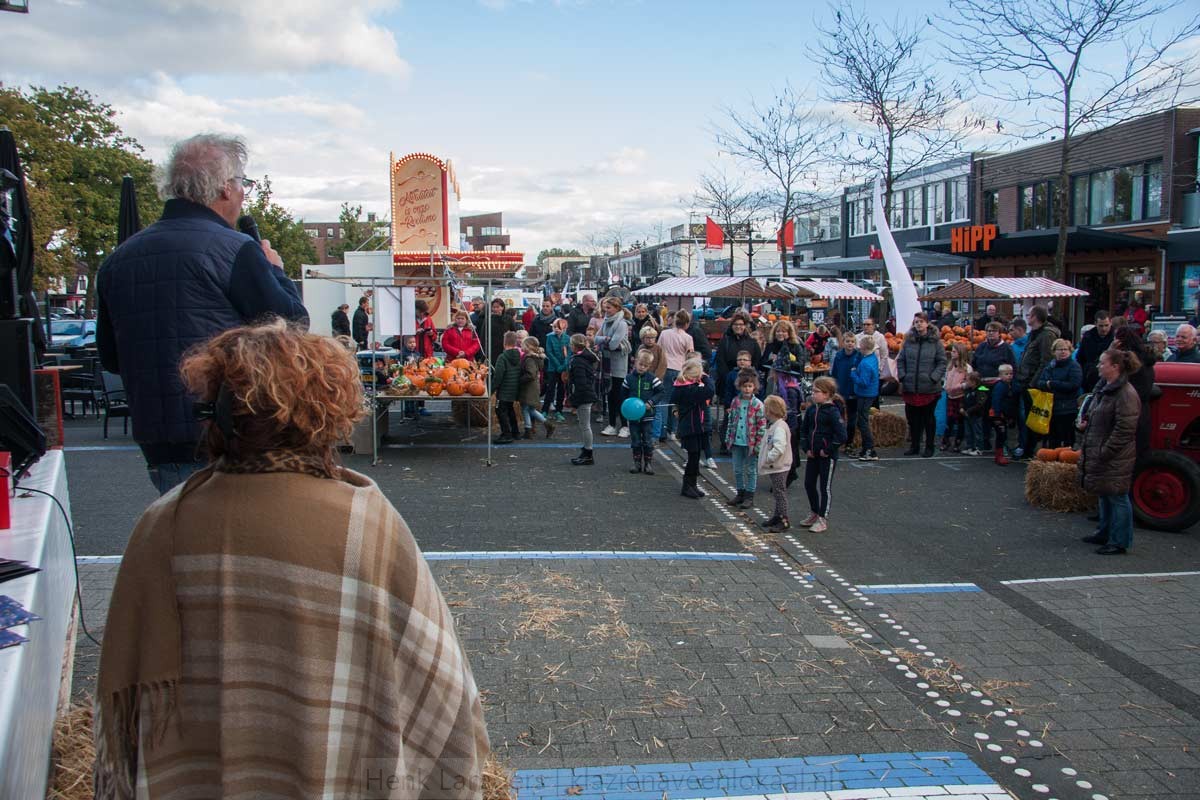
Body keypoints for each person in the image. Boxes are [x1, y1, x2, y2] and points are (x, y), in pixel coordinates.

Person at [94, 320, 488, 798]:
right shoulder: (364, 522)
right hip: (335, 767)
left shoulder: (162, 525)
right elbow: (438, 682)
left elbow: (128, 699)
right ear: (331, 409)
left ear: (214, 412)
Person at [96, 133, 309, 495]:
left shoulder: (119, 259)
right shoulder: (234, 250)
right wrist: (275, 270)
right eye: (244, 183)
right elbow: (291, 327)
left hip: (159, 439)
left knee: (184, 541)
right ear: (225, 188)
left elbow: (112, 359)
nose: (244, 194)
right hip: (230, 434)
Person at [1078, 348, 1142, 555]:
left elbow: (1125, 429)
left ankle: (1119, 540)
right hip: (1100, 449)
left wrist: (1106, 450)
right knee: (1104, 493)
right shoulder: (1105, 389)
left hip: (1115, 455)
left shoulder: (1125, 394)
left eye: (1102, 363)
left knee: (1117, 496)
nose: (1098, 366)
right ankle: (1104, 532)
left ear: (1115, 367)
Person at [798, 376, 847, 534]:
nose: (813, 394)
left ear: (826, 394)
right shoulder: (812, 410)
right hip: (813, 455)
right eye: (813, 391)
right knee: (809, 484)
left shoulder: (832, 412)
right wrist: (807, 448)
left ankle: (822, 518)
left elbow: (841, 435)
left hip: (827, 457)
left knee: (824, 487)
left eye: (817, 391)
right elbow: (804, 431)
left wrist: (827, 450)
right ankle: (814, 511)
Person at [896, 312, 947, 458]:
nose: (918, 324)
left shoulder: (935, 342)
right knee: (913, 419)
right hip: (911, 385)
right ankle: (915, 446)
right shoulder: (908, 341)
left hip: (928, 387)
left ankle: (929, 446)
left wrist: (934, 377)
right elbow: (901, 360)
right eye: (916, 322)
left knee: (928, 419)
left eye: (921, 322)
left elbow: (942, 362)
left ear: (927, 323)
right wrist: (902, 375)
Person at [1015, 306, 1059, 457]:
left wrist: (1033, 382)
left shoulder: (1046, 335)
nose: (1027, 317)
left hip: (1033, 383)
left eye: (1029, 314)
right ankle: (1026, 448)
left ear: (1034, 317)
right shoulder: (1034, 334)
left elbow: (1045, 360)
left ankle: (1031, 450)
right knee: (1027, 417)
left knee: (1033, 418)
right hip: (1025, 380)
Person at [723, 368, 767, 509]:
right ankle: (740, 493)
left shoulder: (758, 405)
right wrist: (728, 438)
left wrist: (758, 444)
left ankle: (749, 496)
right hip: (736, 440)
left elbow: (761, 426)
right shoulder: (735, 402)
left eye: (750, 386)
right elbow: (731, 421)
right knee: (737, 469)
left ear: (754, 387)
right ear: (739, 386)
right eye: (744, 386)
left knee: (751, 470)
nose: (747, 389)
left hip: (751, 443)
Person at [673, 359, 715, 499]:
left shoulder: (686, 386)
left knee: (696, 456)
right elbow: (710, 390)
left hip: (695, 426)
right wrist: (706, 377)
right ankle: (687, 485)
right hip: (690, 427)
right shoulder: (687, 389)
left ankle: (693, 484)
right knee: (693, 456)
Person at [971, 321, 1015, 449]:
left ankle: (1001, 443)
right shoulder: (981, 347)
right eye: (989, 331)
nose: (991, 333)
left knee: (997, 413)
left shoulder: (1006, 348)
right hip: (983, 384)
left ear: (999, 333)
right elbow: (974, 363)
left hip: (998, 385)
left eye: (994, 331)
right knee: (983, 411)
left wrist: (1008, 383)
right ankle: (985, 440)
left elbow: (1012, 366)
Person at [1113, 326, 1156, 457]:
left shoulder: (1128, 362)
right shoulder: (1147, 359)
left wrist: (1111, 350)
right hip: (1143, 410)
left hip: (1128, 409)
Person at [594, 296, 632, 438]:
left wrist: (604, 341)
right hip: (607, 364)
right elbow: (596, 338)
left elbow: (613, 344)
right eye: (605, 307)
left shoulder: (621, 324)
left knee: (620, 395)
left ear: (617, 308)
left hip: (619, 365)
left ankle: (624, 426)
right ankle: (611, 425)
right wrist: (605, 339)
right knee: (610, 395)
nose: (606, 310)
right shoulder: (605, 321)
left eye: (609, 308)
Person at [623, 350, 665, 474]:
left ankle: (648, 464)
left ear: (649, 366)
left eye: (645, 366)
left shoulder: (652, 378)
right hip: (633, 417)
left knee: (647, 440)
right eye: (640, 364)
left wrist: (651, 402)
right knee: (635, 440)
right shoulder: (629, 378)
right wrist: (626, 407)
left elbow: (661, 392)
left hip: (647, 415)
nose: (642, 367)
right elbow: (623, 394)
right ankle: (637, 464)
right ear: (636, 362)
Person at [1035, 338, 1083, 448]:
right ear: (1054, 351)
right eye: (1060, 349)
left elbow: (1073, 385)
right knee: (1052, 438)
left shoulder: (1074, 366)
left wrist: (1052, 383)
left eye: (1065, 349)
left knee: (1067, 439)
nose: (1063, 352)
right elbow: (1040, 382)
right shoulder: (1050, 366)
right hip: (1051, 407)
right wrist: (1048, 384)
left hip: (1067, 408)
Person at [758, 394, 794, 532]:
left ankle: (784, 519)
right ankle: (777, 516)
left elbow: (779, 447)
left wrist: (769, 458)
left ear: (770, 411)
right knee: (777, 492)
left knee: (780, 493)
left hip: (779, 465)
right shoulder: (775, 425)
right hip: (777, 465)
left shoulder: (779, 427)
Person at [657, 310, 694, 442]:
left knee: (663, 400)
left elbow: (659, 349)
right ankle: (672, 430)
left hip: (664, 367)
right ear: (687, 323)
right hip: (679, 370)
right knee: (675, 402)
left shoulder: (664, 333)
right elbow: (690, 356)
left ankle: (661, 430)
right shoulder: (688, 338)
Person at [567, 333, 599, 465]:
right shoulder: (584, 358)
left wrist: (574, 400)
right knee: (584, 425)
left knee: (585, 426)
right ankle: (585, 450)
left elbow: (581, 383)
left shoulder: (578, 361)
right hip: (585, 395)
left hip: (584, 396)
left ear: (574, 346)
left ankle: (588, 453)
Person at [719, 350, 756, 455]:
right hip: (734, 403)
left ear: (750, 362)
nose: (742, 362)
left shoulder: (754, 374)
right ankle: (725, 444)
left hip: (749, 404)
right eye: (739, 360)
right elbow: (728, 391)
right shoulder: (731, 374)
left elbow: (759, 390)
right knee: (729, 424)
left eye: (745, 360)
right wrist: (727, 404)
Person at [716, 312, 761, 398]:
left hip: (748, 381)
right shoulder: (725, 341)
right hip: (729, 380)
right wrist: (728, 377)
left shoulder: (752, 342)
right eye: (735, 324)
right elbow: (720, 361)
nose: (738, 327)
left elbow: (756, 360)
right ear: (732, 326)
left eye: (741, 324)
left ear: (745, 326)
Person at [519, 336, 555, 439]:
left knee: (526, 408)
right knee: (529, 409)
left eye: (523, 345)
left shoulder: (529, 359)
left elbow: (531, 374)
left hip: (529, 387)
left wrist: (520, 379)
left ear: (528, 347)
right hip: (533, 386)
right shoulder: (536, 358)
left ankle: (529, 429)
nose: (521, 346)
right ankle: (544, 425)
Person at [850, 336, 879, 461]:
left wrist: (853, 373)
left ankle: (869, 449)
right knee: (862, 421)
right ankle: (865, 448)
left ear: (864, 347)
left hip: (865, 394)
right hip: (869, 393)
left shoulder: (866, 364)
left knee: (863, 422)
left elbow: (863, 382)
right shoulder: (871, 358)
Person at [830, 332, 860, 455]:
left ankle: (849, 443)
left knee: (852, 419)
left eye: (852, 342)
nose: (850, 344)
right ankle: (838, 441)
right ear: (843, 342)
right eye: (847, 341)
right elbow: (834, 373)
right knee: (839, 418)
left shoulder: (858, 356)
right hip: (841, 391)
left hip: (853, 391)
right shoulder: (839, 356)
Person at [491, 330, 523, 444]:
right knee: (510, 410)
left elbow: (498, 376)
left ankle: (506, 434)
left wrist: (491, 389)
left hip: (504, 390)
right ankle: (515, 432)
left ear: (504, 343)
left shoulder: (503, 357)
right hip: (513, 389)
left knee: (500, 410)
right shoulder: (518, 356)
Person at [941, 343, 971, 452]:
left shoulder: (967, 368)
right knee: (949, 420)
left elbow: (968, 382)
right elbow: (946, 377)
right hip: (950, 396)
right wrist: (945, 386)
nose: (952, 353)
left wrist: (959, 386)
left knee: (960, 421)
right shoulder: (950, 366)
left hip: (960, 396)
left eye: (954, 351)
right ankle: (946, 440)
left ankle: (958, 442)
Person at [1075, 311, 1113, 391]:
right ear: (1095, 324)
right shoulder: (1088, 337)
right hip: (1090, 378)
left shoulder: (1115, 337)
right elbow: (1080, 358)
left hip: (1110, 377)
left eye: (1106, 325)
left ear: (1110, 323)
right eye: (1101, 326)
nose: (1104, 329)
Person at [542, 318, 571, 420]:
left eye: (558, 327)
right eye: (554, 327)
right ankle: (544, 410)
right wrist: (558, 365)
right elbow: (549, 352)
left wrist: (563, 366)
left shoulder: (567, 338)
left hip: (563, 368)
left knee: (561, 389)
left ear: (564, 328)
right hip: (552, 367)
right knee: (550, 389)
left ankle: (559, 410)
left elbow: (569, 354)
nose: (556, 329)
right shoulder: (549, 337)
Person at [991, 364, 1018, 465]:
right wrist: (997, 415)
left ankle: (1001, 454)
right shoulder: (1000, 386)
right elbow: (996, 401)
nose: (1009, 376)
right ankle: (999, 455)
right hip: (999, 415)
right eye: (1006, 374)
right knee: (1001, 435)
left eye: (1011, 374)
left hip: (1007, 415)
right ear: (1000, 375)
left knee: (1004, 435)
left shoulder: (1012, 385)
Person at [960, 372, 987, 456]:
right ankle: (970, 447)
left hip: (976, 415)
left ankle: (979, 449)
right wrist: (962, 408)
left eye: (967, 380)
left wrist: (968, 411)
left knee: (977, 432)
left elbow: (980, 404)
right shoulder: (967, 390)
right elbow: (963, 400)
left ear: (974, 382)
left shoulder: (981, 390)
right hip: (967, 415)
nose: (965, 382)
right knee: (968, 432)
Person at [487, 298, 517, 366]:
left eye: (497, 307)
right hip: (492, 348)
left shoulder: (508, 319)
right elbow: (484, 335)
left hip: (505, 347)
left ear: (502, 307)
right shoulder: (489, 319)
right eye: (494, 307)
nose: (495, 309)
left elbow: (514, 333)